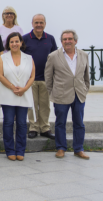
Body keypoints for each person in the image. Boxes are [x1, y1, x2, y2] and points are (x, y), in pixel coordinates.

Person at [45, 30, 90, 160]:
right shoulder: (53, 56)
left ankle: (79, 149)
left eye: (70, 39)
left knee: (79, 123)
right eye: (65, 39)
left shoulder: (84, 55)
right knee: (60, 123)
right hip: (61, 95)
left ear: (75, 41)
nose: (67, 41)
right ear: (61, 41)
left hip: (79, 94)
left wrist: (85, 90)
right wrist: (52, 93)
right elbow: (48, 78)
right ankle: (60, 148)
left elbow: (86, 76)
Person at [0, 32, 35, 161]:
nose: (14, 44)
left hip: (23, 94)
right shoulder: (3, 58)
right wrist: (13, 87)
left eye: (16, 41)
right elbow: (0, 75)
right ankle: (9, 150)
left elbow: (32, 76)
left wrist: (24, 89)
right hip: (8, 94)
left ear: (21, 42)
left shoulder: (28, 58)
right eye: (11, 42)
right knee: (8, 122)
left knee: (22, 123)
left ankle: (20, 150)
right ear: (8, 44)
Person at [23, 14, 57, 140]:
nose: (38, 25)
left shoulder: (50, 38)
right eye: (36, 22)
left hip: (46, 78)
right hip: (30, 78)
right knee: (32, 105)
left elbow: (55, 57)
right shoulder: (25, 38)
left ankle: (45, 128)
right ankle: (33, 127)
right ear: (32, 24)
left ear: (45, 24)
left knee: (45, 105)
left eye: (41, 22)